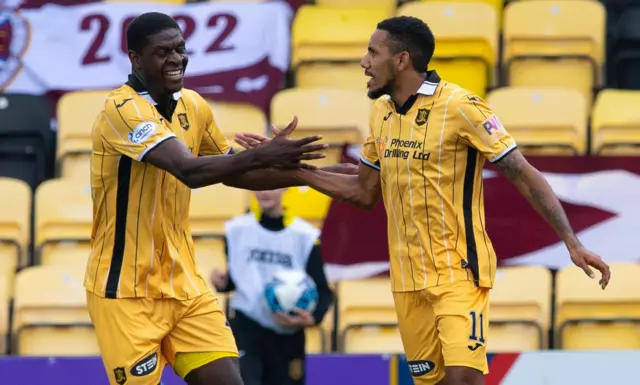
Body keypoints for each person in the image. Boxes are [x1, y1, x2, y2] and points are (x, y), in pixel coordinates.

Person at [235, 16, 612, 385]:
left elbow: (522, 172)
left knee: (463, 377)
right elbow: (365, 188)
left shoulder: (462, 106)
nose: (364, 63)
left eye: (372, 53)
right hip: (408, 282)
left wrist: (572, 242)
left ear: (401, 60)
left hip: (459, 271)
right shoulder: (381, 112)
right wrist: (290, 164)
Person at [83, 12, 329, 385]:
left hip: (185, 286)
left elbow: (235, 171)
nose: (176, 59)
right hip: (125, 292)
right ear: (135, 58)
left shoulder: (193, 106)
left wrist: (307, 171)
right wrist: (263, 156)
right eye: (162, 52)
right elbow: (190, 171)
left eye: (180, 49)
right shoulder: (122, 111)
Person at [211, 188, 334, 385]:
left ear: (285, 187)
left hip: (287, 336)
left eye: (272, 184)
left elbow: (324, 290)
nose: (265, 191)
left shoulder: (304, 236)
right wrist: (223, 283)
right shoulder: (236, 230)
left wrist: (310, 319)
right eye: (259, 185)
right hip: (246, 329)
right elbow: (238, 279)